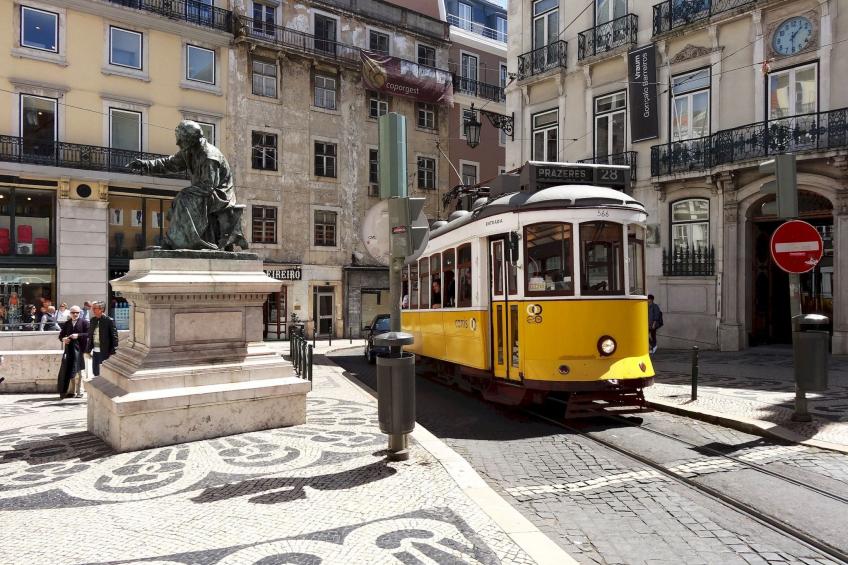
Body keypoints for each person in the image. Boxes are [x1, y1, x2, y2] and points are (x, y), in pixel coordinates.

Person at [127, 120, 248, 251]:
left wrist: (186, 193)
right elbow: (169, 163)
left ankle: (188, 241)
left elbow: (208, 186)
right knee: (183, 197)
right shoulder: (189, 151)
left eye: (181, 139)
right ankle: (176, 241)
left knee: (184, 198)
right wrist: (145, 165)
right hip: (206, 190)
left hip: (220, 195)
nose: (177, 143)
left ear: (191, 139)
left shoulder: (209, 156)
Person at [58, 305, 89, 399]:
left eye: (77, 312)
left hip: (81, 350)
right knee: (71, 371)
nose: (75, 314)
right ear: (70, 313)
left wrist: (78, 335)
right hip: (70, 350)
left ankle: (80, 391)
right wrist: (63, 339)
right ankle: (72, 391)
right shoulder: (67, 323)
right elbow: (61, 336)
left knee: (80, 371)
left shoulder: (84, 322)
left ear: (80, 313)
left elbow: (89, 334)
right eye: (73, 312)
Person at [86, 301, 119, 377]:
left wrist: (113, 352)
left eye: (95, 308)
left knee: (104, 374)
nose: (93, 310)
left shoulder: (109, 320)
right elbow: (90, 336)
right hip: (95, 351)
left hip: (105, 352)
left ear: (101, 309)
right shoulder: (93, 320)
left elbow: (114, 338)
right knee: (95, 372)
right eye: (93, 308)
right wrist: (87, 350)